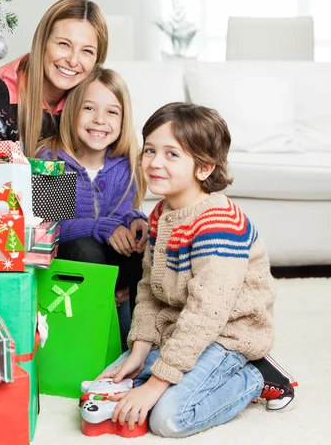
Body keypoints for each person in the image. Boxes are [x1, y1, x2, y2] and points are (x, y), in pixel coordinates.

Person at [98, 102, 297, 437]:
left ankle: (258, 376)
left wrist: (158, 381)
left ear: (204, 168)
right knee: (111, 384)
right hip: (182, 326)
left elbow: (208, 313)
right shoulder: (162, 213)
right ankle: (165, 368)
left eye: (172, 154)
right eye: (150, 150)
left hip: (227, 334)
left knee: (167, 419)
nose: (155, 163)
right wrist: (141, 348)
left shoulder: (218, 224)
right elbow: (149, 287)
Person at [37, 66, 148, 343]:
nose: (100, 120)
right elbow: (48, 230)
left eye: (112, 112)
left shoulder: (125, 164)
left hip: (112, 268)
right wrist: (99, 227)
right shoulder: (52, 157)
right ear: (73, 110)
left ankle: (142, 340)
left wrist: (135, 220)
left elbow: (123, 216)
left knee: (142, 247)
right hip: (71, 264)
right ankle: (91, 338)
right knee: (86, 246)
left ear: (123, 120)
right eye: (89, 108)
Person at [0, 0, 108, 162]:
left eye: (87, 51)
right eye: (64, 44)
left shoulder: (94, 101)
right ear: (42, 42)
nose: (73, 61)